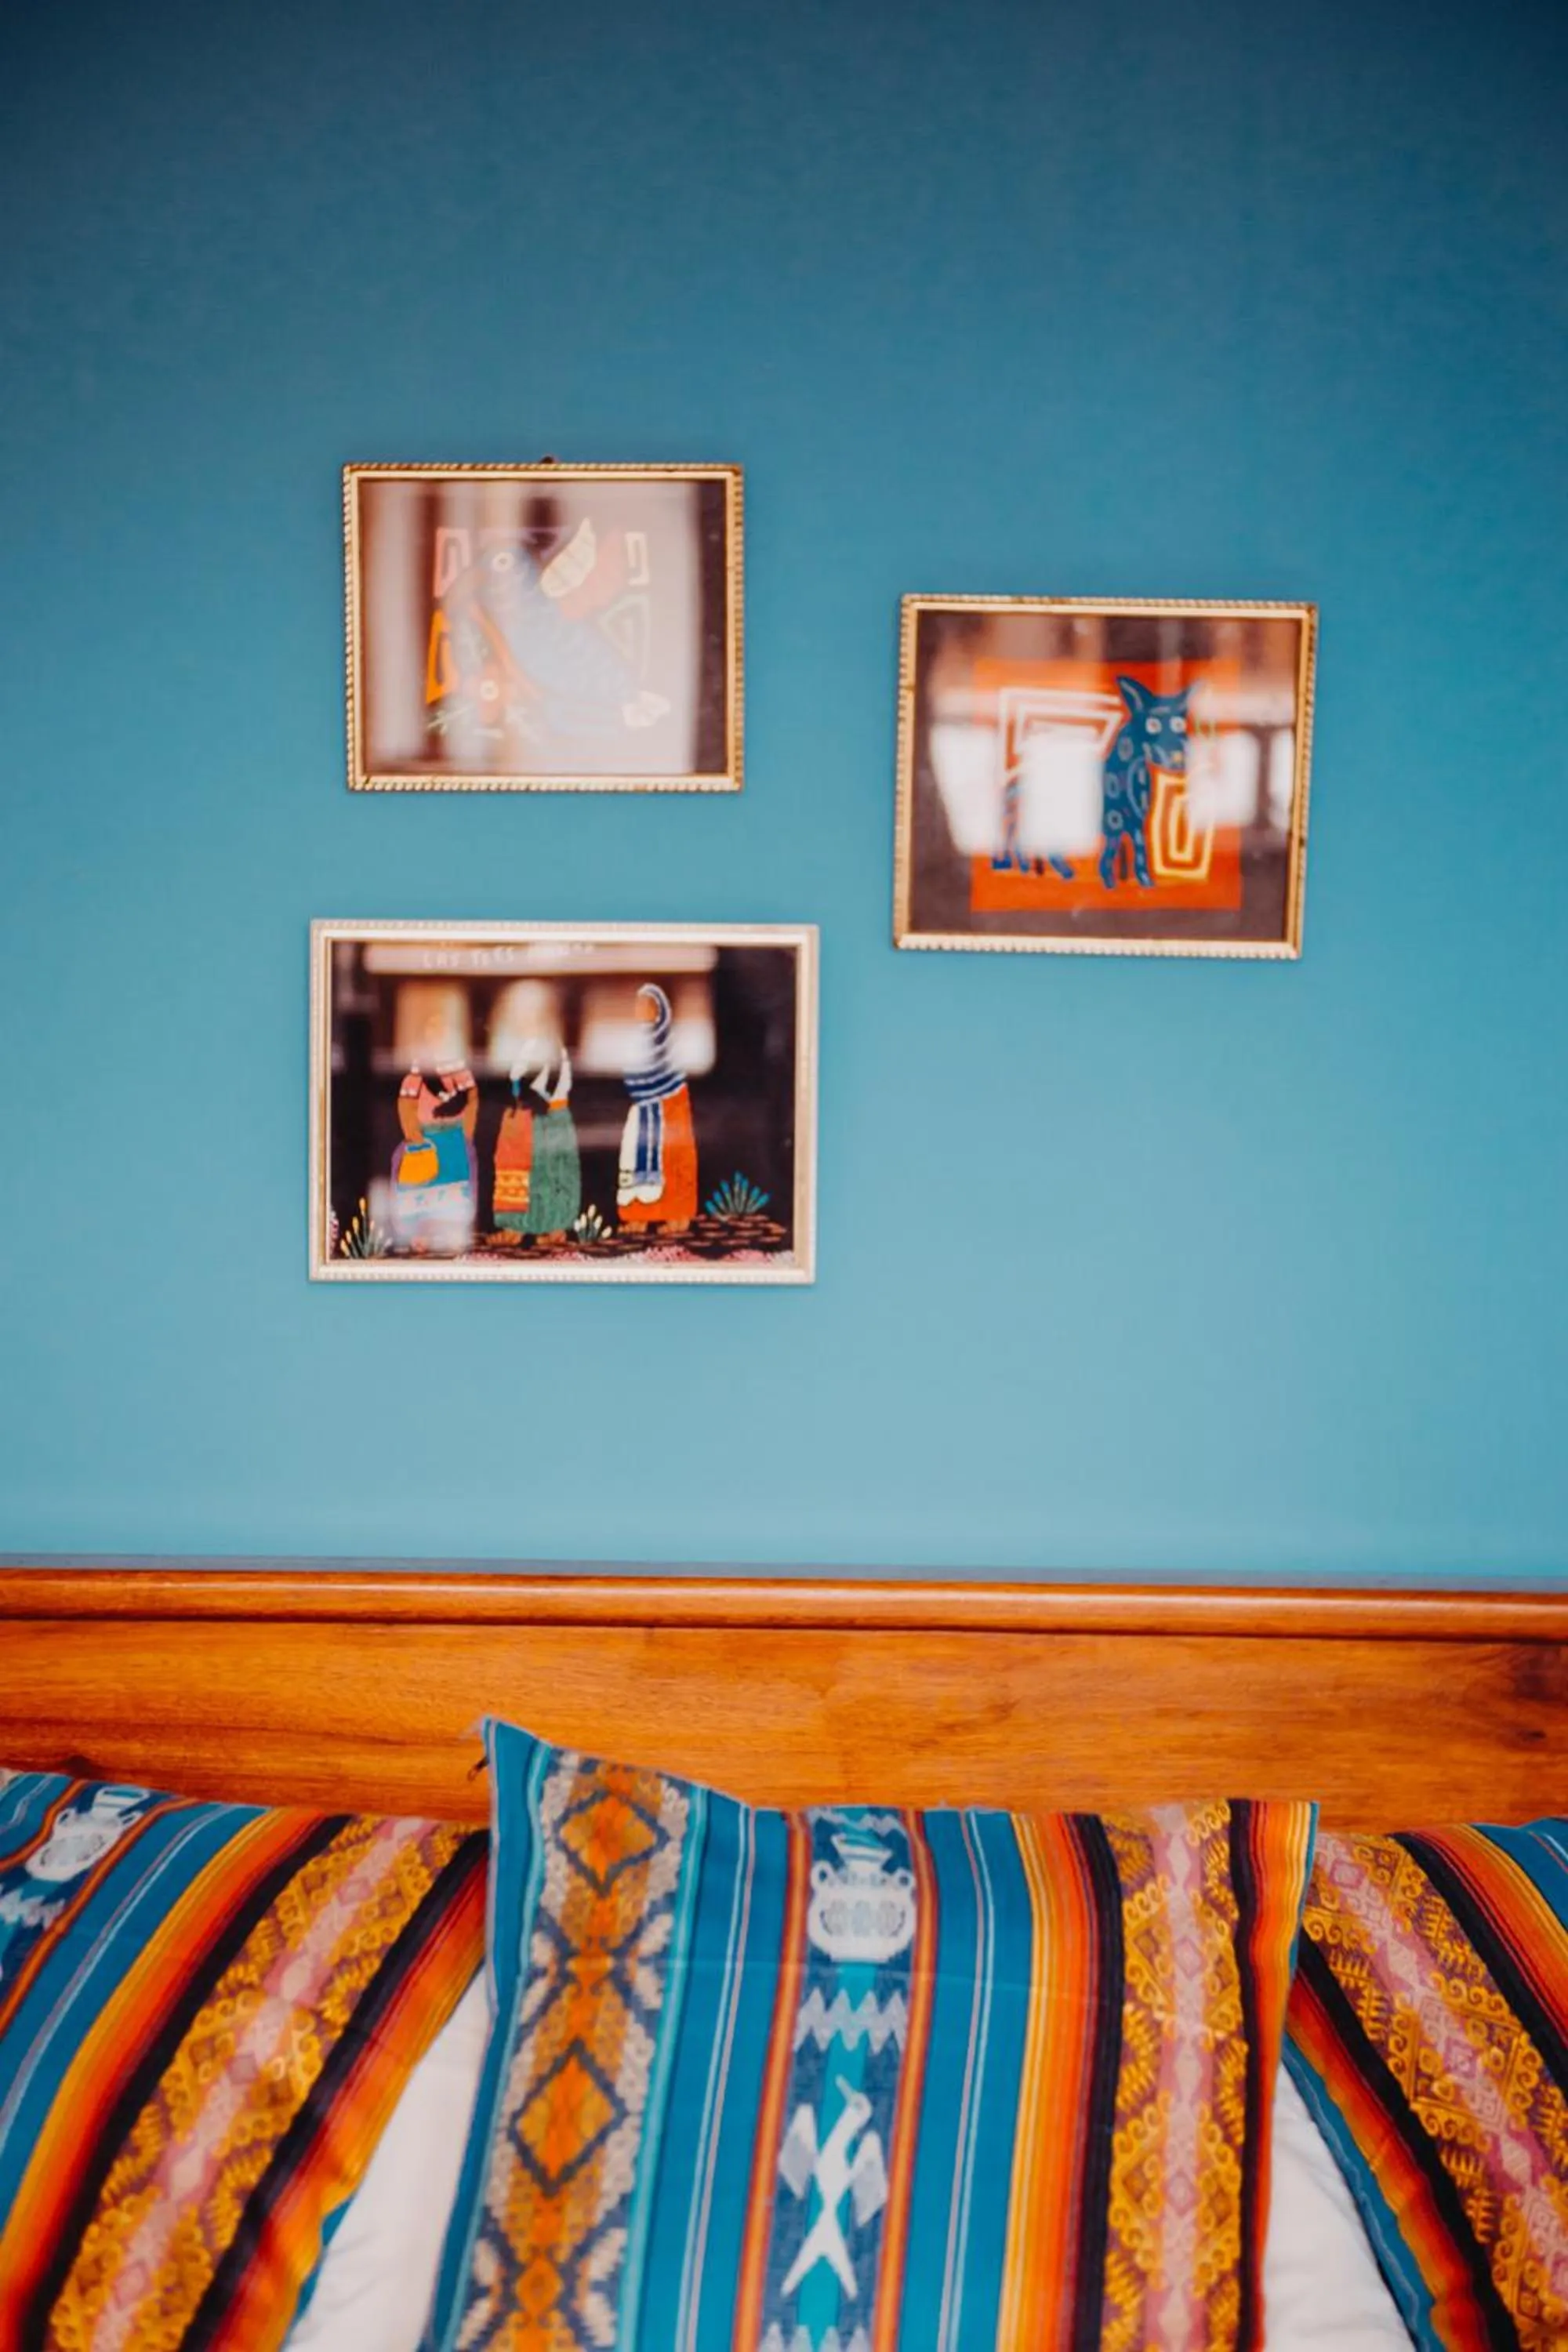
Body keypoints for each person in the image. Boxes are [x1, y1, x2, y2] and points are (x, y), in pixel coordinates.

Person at [618, 984, 698, 1231]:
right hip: (643, 1110)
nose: (639, 1010)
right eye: (637, 1005)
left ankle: (677, 1218)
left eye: (646, 1005)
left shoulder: (671, 1046)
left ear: (659, 1010)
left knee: (673, 1163)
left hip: (671, 1109)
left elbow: (670, 1076)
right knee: (633, 1157)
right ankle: (638, 1218)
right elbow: (634, 1077)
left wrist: (661, 1101)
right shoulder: (635, 1042)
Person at [494, 1049, 582, 1244]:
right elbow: (517, 1079)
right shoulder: (524, 1045)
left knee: (556, 1173)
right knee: (527, 1175)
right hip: (526, 1118)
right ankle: (519, 1226)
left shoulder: (556, 1049)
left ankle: (554, 1228)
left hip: (552, 1116)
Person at [390, 1065, 478, 1254]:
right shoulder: (415, 1078)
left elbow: (471, 1101)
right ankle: (420, 1233)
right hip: (424, 1145)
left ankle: (451, 1231)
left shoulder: (461, 1074)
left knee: (456, 1186)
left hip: (453, 1144)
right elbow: (406, 1106)